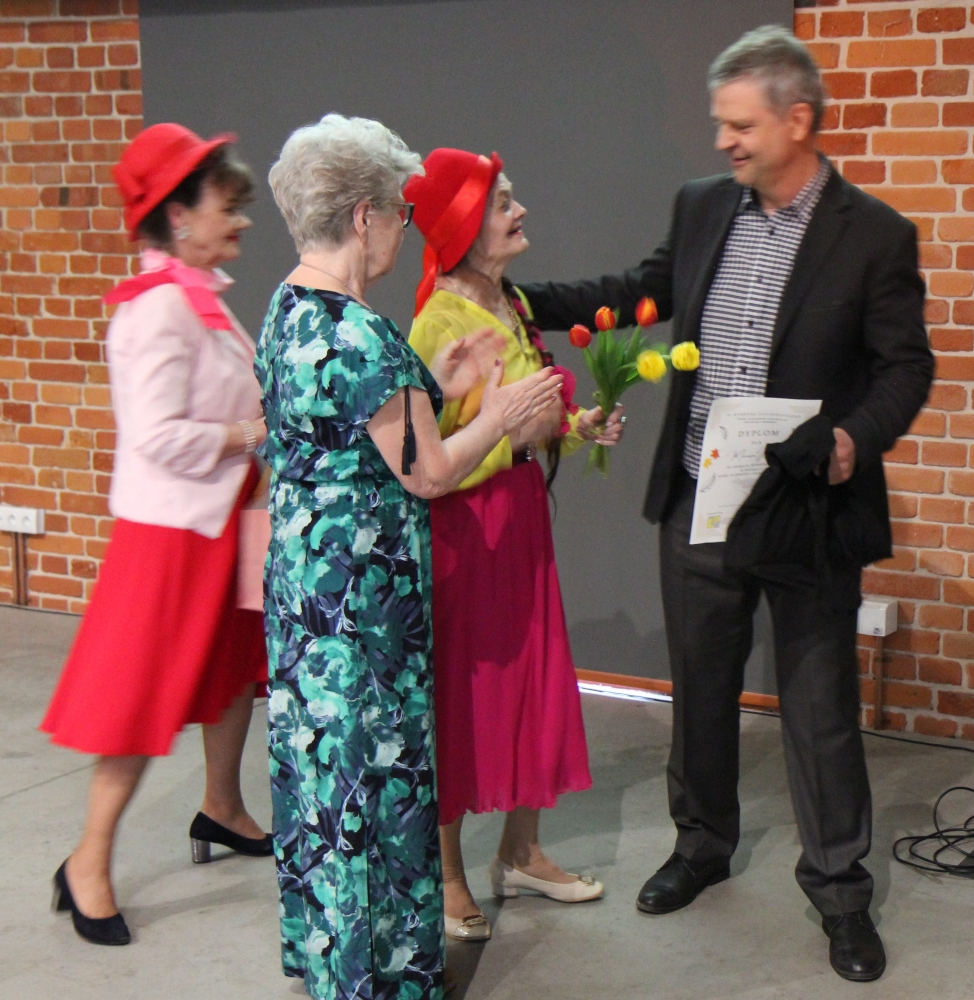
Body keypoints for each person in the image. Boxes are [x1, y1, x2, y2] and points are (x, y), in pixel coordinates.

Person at [517, 26, 935, 983]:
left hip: (808, 505)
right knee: (701, 691)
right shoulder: (704, 206)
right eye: (720, 124)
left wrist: (848, 440)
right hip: (700, 499)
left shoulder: (875, 235)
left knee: (820, 709)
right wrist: (514, 297)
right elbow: (639, 292)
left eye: (740, 125)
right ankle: (702, 845)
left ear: (799, 120)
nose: (723, 141)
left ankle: (840, 892)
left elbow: (905, 368)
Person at [256, 115, 564, 998]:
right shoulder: (361, 335)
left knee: (323, 778)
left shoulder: (288, 311)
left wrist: (442, 384)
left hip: (306, 593)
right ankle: (378, 978)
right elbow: (427, 474)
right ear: (363, 217)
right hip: (360, 606)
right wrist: (499, 416)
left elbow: (336, 429)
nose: (403, 227)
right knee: (369, 787)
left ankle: (329, 962)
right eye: (398, 211)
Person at [41, 123, 274, 947]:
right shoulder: (157, 311)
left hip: (229, 517)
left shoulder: (197, 295)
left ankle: (222, 807)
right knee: (138, 700)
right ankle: (88, 861)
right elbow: (156, 436)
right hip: (174, 536)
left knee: (236, 672)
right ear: (178, 215)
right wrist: (250, 434)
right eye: (227, 205)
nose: (241, 220)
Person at [403, 150, 624, 941]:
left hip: (521, 520)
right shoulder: (436, 323)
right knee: (463, 696)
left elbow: (531, 417)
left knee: (531, 680)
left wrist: (575, 425)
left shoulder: (513, 300)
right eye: (501, 202)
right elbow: (427, 457)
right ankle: (448, 875)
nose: (519, 210)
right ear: (465, 225)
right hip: (469, 529)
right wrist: (512, 434)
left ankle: (522, 852)